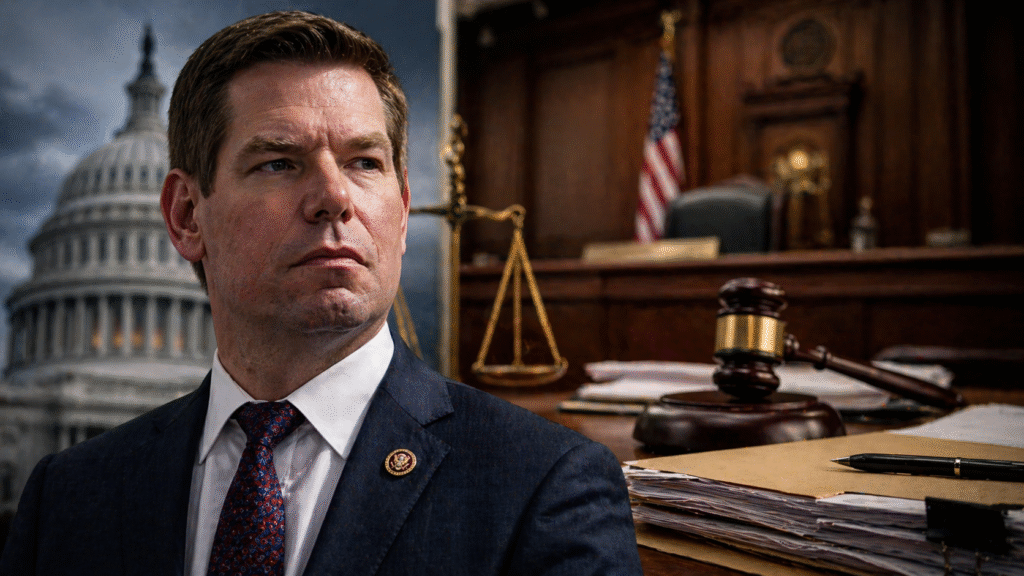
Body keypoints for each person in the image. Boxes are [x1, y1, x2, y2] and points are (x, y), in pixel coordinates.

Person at [0, 11, 642, 575]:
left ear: (401, 208)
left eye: (365, 162)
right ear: (187, 216)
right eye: (279, 162)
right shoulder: (68, 495)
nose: (336, 197)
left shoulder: (543, 487)